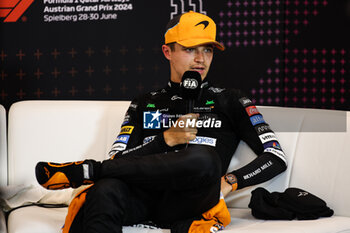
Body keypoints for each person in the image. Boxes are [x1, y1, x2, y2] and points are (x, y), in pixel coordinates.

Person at [35, 11, 287, 233]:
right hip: (143, 197)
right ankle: (94, 174)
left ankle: (86, 171)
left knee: (204, 158)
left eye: (207, 49)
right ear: (168, 51)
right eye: (190, 49)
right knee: (106, 188)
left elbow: (276, 156)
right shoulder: (145, 102)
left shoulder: (230, 99)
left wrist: (230, 182)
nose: (200, 58)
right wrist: (166, 140)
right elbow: (119, 161)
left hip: (192, 199)